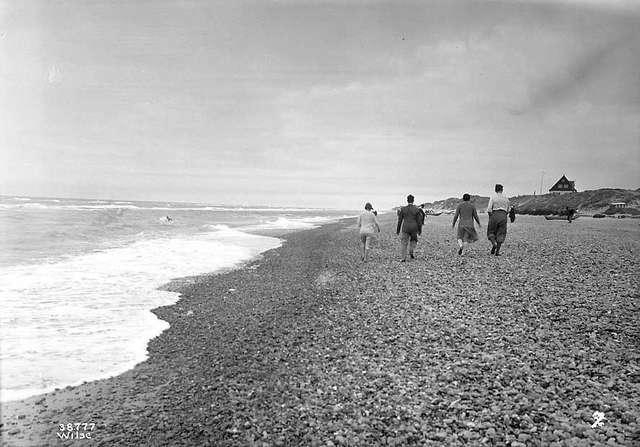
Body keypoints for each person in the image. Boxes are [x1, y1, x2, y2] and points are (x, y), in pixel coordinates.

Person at [396, 194, 424, 261]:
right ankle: (411, 251)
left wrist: (398, 230)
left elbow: (400, 220)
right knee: (413, 240)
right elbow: (419, 221)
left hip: (405, 228)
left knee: (404, 242)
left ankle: (403, 258)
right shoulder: (417, 209)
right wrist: (420, 230)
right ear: (413, 200)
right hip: (414, 228)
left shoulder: (403, 209)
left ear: (407, 200)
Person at [486, 184, 510, 256]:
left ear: (495, 190)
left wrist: (491, 217)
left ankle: (494, 243)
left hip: (494, 214)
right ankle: (497, 252)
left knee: (491, 231)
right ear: (502, 190)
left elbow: (489, 209)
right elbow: (508, 210)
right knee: (501, 233)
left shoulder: (493, 197)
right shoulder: (506, 198)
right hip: (503, 215)